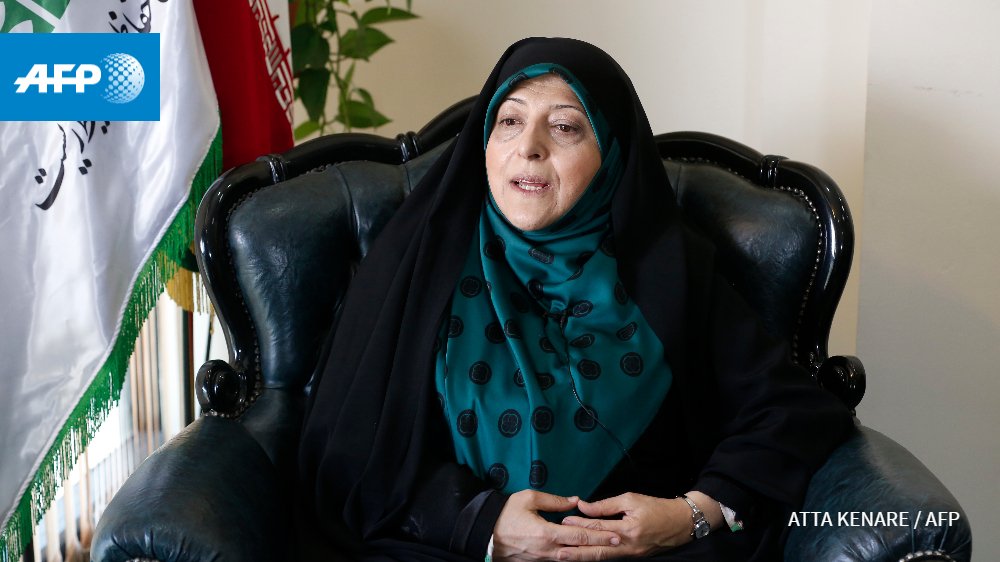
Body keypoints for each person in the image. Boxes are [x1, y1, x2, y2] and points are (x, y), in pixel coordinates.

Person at [297, 37, 853, 562]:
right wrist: (479, 524)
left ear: (610, 153)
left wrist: (691, 516)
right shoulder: (419, 260)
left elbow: (789, 410)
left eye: (564, 127)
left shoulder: (669, 269)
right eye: (509, 121)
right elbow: (347, 450)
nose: (528, 148)